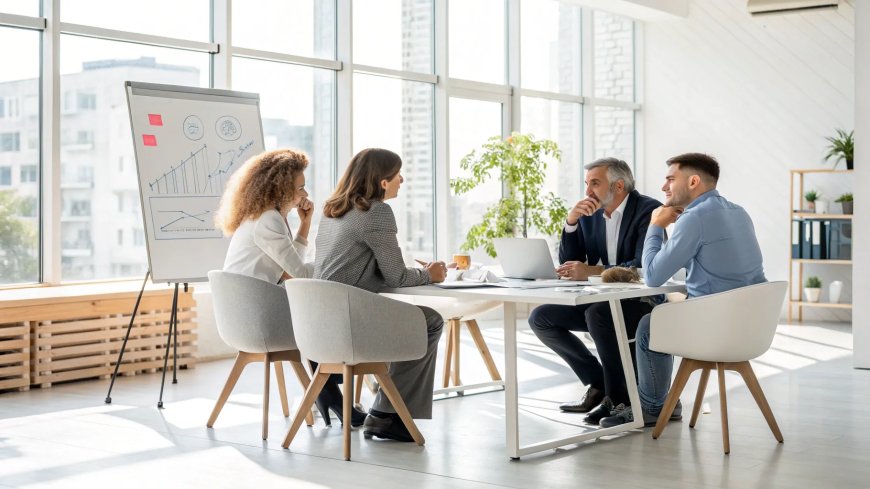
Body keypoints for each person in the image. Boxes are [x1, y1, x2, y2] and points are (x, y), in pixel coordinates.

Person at [599, 152, 767, 428]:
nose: (664, 187)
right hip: (751, 329)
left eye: (670, 179)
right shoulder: (738, 212)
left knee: (650, 325)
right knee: (661, 315)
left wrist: (656, 226)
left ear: (693, 182)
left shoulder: (694, 218)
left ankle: (653, 407)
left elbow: (653, 276)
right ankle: (660, 402)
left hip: (716, 331)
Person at [215, 148, 367, 428]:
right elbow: (297, 271)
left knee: (316, 316)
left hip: (246, 316)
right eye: (299, 187)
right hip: (259, 319)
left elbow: (290, 266)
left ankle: (327, 390)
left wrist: (305, 225)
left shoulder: (261, 216)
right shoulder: (269, 220)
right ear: (280, 187)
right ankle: (331, 385)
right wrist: (337, 262)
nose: (304, 194)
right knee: (324, 320)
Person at [314, 148, 447, 442]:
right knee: (430, 320)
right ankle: (387, 415)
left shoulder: (332, 211)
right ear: (383, 182)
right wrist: (432, 274)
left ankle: (387, 409)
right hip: (350, 325)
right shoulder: (376, 212)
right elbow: (396, 276)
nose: (403, 179)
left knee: (408, 319)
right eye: (398, 173)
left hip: (318, 326)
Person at [528, 157, 662, 425]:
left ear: (619, 185)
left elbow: (641, 267)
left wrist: (589, 271)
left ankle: (619, 401)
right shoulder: (590, 215)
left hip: (642, 302)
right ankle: (599, 384)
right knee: (541, 317)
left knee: (599, 315)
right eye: (587, 183)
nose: (588, 191)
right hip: (602, 301)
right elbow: (571, 261)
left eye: (595, 184)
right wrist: (572, 222)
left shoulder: (649, 210)